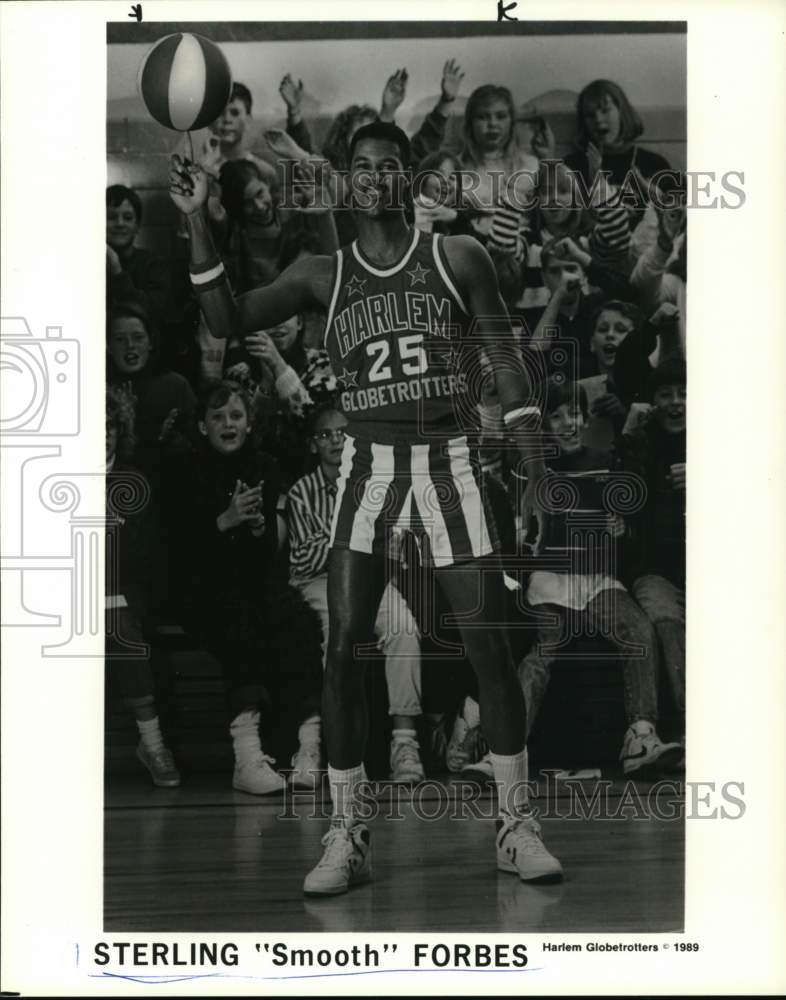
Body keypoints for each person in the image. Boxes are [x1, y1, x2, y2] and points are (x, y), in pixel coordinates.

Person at [169, 118, 563, 895]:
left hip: (449, 460)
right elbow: (224, 319)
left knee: (490, 649)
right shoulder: (324, 273)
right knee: (343, 649)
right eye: (361, 165)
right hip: (366, 467)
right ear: (346, 181)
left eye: (390, 164)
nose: (375, 175)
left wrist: (536, 471)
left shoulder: (459, 256)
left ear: (411, 177)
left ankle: (517, 825)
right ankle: (347, 832)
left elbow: (509, 376)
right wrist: (192, 217)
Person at [160, 380, 325, 794]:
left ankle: (308, 747)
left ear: (249, 424)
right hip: (198, 586)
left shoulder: (263, 467)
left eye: (235, 415)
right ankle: (246, 754)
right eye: (217, 417)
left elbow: (266, 551)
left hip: (251, 580)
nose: (227, 424)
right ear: (202, 427)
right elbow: (177, 552)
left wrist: (257, 528)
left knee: (297, 617)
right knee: (238, 614)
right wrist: (224, 522)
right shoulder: (183, 469)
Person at [515, 377, 683, 775]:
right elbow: (527, 536)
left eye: (573, 413)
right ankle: (506, 750)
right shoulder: (534, 472)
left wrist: (620, 530)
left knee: (638, 631)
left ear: (586, 417)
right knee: (543, 652)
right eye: (555, 418)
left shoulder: (608, 461)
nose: (568, 424)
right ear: (541, 428)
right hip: (551, 583)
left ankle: (640, 736)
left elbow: (628, 529)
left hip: (598, 581)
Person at [287, 403, 427, 783]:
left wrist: (347, 545)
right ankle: (332, 751)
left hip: (369, 575)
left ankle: (404, 743)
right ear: (314, 444)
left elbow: (392, 546)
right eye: (325, 435)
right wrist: (351, 541)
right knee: (337, 637)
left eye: (341, 434)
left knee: (404, 627)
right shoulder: (302, 491)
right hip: (317, 582)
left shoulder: (374, 483)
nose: (335, 440)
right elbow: (303, 557)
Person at [106, 385, 180, 787]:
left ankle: (153, 745)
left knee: (118, 623)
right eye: (92, 426)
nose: (101, 434)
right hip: (70, 599)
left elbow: (144, 556)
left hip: (124, 596)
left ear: (120, 432)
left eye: (109, 426)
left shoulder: (132, 481)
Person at [620, 357, 686, 722]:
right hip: (656, 569)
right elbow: (626, 499)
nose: (676, 402)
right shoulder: (644, 445)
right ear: (653, 403)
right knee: (663, 616)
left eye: (685, 394)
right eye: (666, 394)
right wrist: (631, 433)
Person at [106, 297, 196, 472]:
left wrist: (168, 440)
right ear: (108, 346)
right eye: (120, 339)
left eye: (138, 337)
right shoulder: (96, 388)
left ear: (151, 342)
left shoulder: (176, 387)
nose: (130, 346)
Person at [564, 79, 672, 223]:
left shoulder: (654, 164)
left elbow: (676, 219)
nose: (598, 120)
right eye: (589, 115)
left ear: (622, 112)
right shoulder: (573, 165)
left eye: (605, 110)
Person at [106, 185, 172, 326]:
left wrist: (117, 271)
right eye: (111, 217)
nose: (120, 223)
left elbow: (152, 313)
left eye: (128, 218)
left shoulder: (153, 265)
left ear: (137, 226)